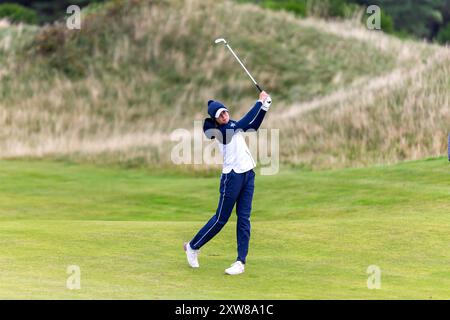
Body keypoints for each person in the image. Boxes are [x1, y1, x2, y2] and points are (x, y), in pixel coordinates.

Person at [184, 90, 272, 275]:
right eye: (220, 115)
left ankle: (240, 262)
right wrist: (258, 102)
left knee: (244, 219)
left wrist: (264, 107)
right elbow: (243, 123)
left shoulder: (231, 124)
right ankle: (193, 247)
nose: (225, 115)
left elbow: (252, 126)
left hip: (248, 173)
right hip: (231, 178)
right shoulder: (222, 132)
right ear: (216, 120)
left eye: (225, 111)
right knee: (220, 219)